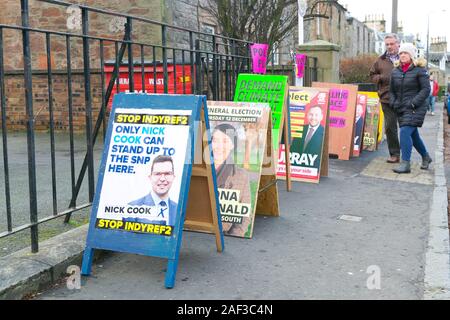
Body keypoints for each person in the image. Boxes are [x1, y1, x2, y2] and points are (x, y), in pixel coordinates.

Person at [389, 43, 432, 174]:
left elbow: (426, 89)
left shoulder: (420, 70)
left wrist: (413, 103)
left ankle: (405, 163)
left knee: (405, 132)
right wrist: (393, 102)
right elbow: (391, 91)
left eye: (405, 53)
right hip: (401, 108)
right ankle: (426, 157)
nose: (402, 55)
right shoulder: (395, 71)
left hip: (415, 107)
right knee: (413, 136)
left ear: (412, 55)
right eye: (401, 53)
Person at [211, 123, 252, 237]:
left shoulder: (241, 176)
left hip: (225, 234)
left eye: (225, 141)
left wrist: (234, 237)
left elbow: (245, 214)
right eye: (215, 140)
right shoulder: (196, 169)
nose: (219, 146)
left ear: (232, 145)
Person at [370, 33, 401, 164]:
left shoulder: (405, 57)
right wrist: (381, 78)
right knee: (390, 127)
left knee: (408, 129)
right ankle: (394, 154)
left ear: (398, 44)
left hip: (404, 99)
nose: (389, 46)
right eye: (387, 44)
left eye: (392, 43)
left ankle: (417, 154)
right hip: (386, 98)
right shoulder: (380, 60)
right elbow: (372, 75)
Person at [128, 155, 178, 226]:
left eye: (167, 174)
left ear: (173, 177)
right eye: (157, 174)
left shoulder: (178, 209)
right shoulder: (133, 207)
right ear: (150, 177)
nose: (162, 179)